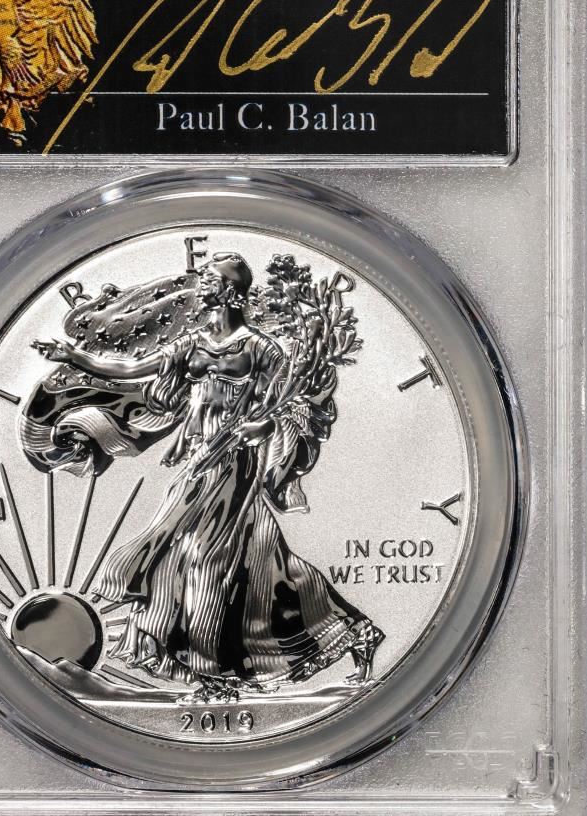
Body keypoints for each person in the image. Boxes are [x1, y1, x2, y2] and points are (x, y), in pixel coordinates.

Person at [31, 253, 383, 701]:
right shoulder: (192, 344)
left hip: (236, 459)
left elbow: (295, 404)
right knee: (259, 560)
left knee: (202, 558)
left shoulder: (260, 348)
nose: (202, 286)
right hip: (200, 459)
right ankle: (353, 632)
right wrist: (74, 356)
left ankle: (212, 673)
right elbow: (133, 370)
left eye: (211, 280)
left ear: (231, 291)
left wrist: (265, 426)